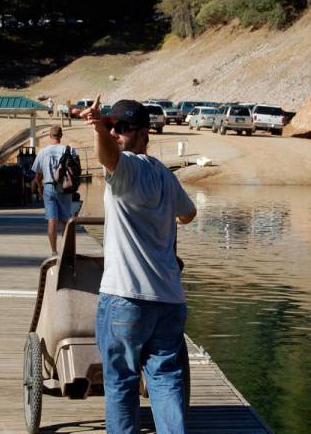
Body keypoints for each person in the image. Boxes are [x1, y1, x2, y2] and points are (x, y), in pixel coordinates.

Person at [79, 95, 197, 434]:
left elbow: (109, 157)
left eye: (124, 128)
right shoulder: (163, 174)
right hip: (169, 301)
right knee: (165, 380)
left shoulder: (126, 168)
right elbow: (188, 214)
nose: (116, 132)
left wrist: (99, 131)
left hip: (125, 299)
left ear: (144, 134)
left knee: (121, 384)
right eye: (113, 126)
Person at [31, 125, 77, 255]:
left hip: (49, 186)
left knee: (52, 220)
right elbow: (75, 171)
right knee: (65, 220)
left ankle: (54, 251)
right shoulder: (70, 150)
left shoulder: (43, 151)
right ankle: (66, 251)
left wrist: (40, 188)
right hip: (65, 187)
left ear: (50, 136)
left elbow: (38, 176)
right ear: (61, 136)